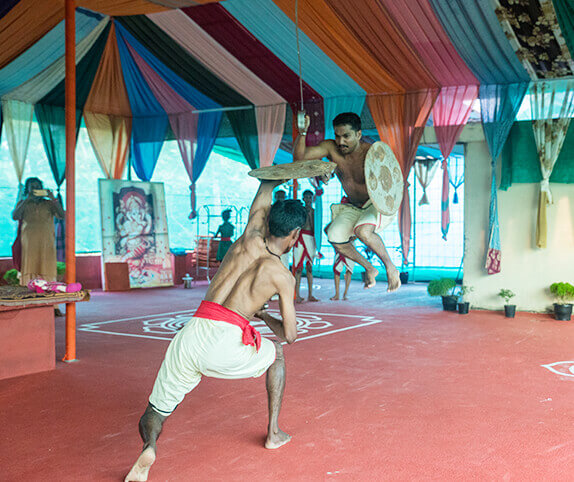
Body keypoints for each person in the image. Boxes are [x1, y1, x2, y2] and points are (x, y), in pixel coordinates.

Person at [125, 180, 307, 482]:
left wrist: (271, 179)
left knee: (155, 410)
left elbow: (261, 198)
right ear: (295, 235)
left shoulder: (247, 239)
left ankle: (150, 445)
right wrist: (263, 316)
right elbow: (291, 334)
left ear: (267, 221)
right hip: (225, 339)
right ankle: (273, 433)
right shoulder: (282, 276)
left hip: (193, 331)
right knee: (277, 353)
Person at [293, 112, 401, 292]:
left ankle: (390, 267)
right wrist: (302, 132)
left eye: (346, 136)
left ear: (358, 134)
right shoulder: (331, 148)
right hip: (354, 206)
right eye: (337, 135)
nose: (341, 141)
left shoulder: (372, 152)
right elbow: (299, 158)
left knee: (363, 231)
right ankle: (370, 268)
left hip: (376, 205)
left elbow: (392, 181)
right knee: (334, 235)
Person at [12, 177, 65, 287]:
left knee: (46, 264)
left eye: (38, 187)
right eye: (33, 187)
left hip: (46, 241)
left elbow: (62, 215)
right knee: (29, 264)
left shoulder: (50, 203)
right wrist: (27, 199)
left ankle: (48, 288)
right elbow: (15, 216)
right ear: (28, 190)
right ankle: (29, 289)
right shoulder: (23, 203)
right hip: (29, 241)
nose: (36, 189)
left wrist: (53, 198)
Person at [293, 190, 318, 303]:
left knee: (309, 268)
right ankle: (296, 295)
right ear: (303, 199)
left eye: (310, 197)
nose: (308, 199)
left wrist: (310, 215)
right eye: (306, 197)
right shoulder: (299, 211)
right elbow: (297, 225)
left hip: (311, 238)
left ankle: (311, 295)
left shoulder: (315, 212)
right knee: (298, 268)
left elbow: (315, 228)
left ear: (313, 199)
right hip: (300, 238)